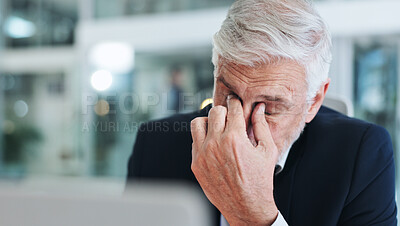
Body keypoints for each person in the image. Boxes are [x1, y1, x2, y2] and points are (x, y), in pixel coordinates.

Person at [127, 0, 397, 225]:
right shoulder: (155, 145)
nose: (239, 128)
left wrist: (252, 215)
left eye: (269, 108)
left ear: (313, 101)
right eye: (229, 96)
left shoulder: (361, 155)